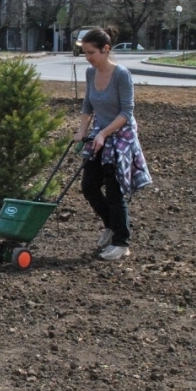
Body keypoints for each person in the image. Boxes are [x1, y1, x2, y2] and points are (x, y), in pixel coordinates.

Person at [72, 26, 152, 261]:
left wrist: (104, 133)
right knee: (89, 186)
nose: (88, 58)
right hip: (99, 135)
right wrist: (82, 131)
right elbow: (88, 105)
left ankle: (121, 242)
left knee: (114, 191)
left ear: (105, 50)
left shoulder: (121, 75)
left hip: (121, 136)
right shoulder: (90, 73)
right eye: (85, 53)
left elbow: (127, 112)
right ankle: (111, 225)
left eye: (91, 53)